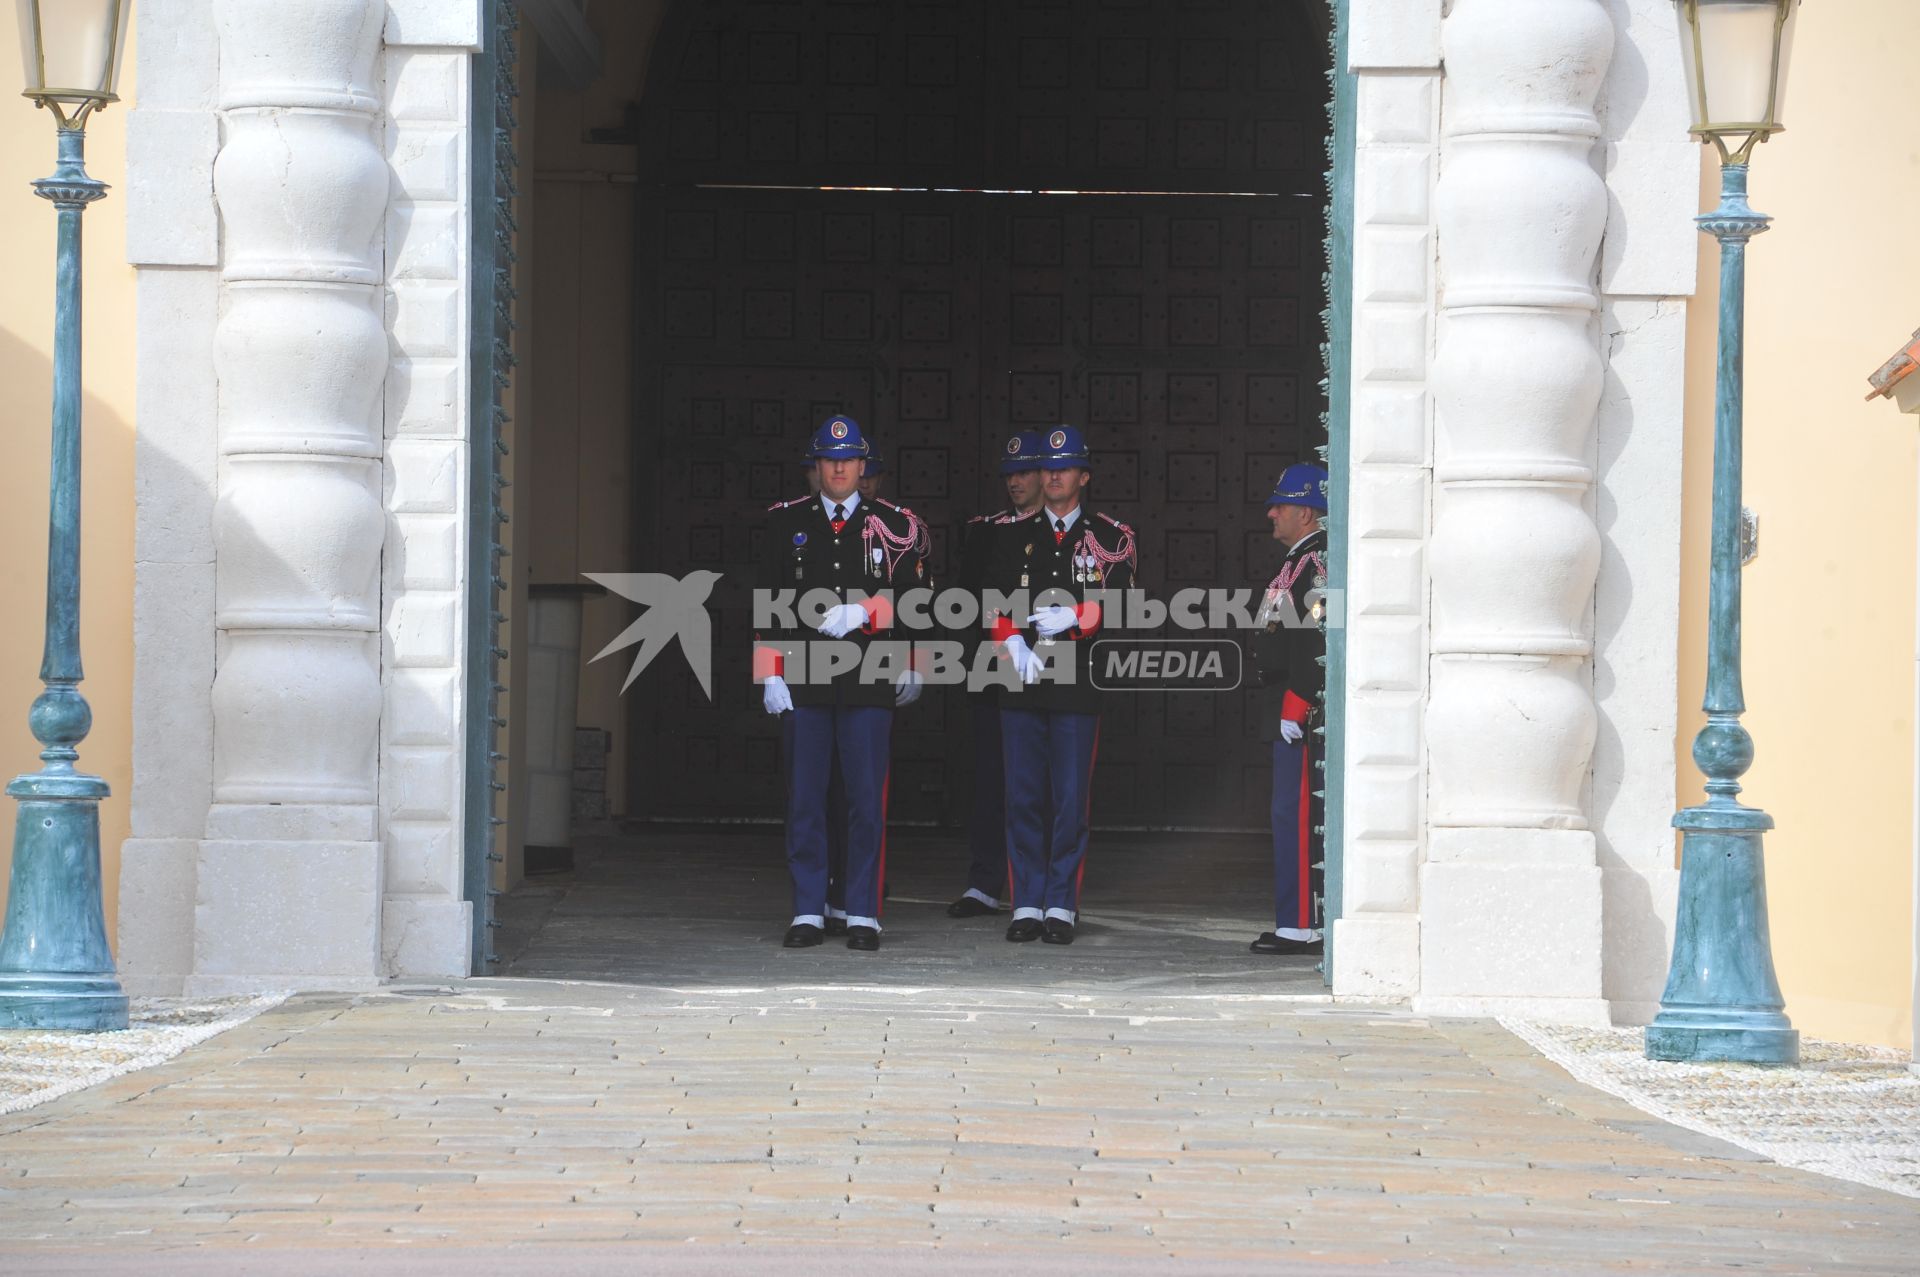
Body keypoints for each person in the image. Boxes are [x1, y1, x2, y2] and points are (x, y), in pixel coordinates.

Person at [757, 415, 929, 952]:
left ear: (862, 466)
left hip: (868, 678)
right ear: (817, 467)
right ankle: (808, 909)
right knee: (806, 799)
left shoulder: (896, 525)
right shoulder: (785, 523)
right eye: (829, 460)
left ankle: (862, 911)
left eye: (848, 459)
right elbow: (770, 603)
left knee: (863, 801)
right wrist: (768, 674)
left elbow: (917, 600)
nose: (838, 467)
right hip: (804, 680)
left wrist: (871, 617)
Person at [988, 426, 1137, 945]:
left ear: (1083, 476)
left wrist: (1075, 618)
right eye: (1047, 468)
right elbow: (991, 603)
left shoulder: (1111, 537)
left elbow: (1124, 604)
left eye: (1064, 467)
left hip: (1076, 685)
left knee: (1070, 801)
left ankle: (1061, 904)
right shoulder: (1009, 534)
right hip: (1021, 682)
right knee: (1023, 796)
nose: (1053, 476)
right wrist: (1010, 642)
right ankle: (1026, 901)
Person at [947, 431, 1047, 919]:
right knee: (990, 779)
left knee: (1041, 783)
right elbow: (967, 601)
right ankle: (986, 882)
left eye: (1024, 472)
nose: (1016, 483)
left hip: (1050, 663)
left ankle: (1037, 885)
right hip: (995, 666)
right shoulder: (985, 530)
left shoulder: (1061, 529)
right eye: (1009, 475)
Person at [1247, 463, 1329, 957]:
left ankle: (1302, 924)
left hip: (1298, 709)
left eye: (1280, 505)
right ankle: (1294, 919)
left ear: (1305, 511)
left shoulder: (1315, 562)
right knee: (1288, 813)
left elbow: (1315, 637)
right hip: (1284, 702)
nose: (1271, 513)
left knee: (1296, 815)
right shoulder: (1298, 560)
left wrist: (1299, 702)